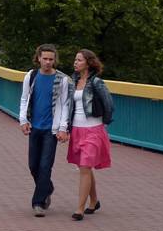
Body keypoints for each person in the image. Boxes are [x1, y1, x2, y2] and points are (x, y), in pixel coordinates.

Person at [19, 44, 71, 217]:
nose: (48, 62)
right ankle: (47, 187)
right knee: (33, 165)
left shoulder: (62, 79)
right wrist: (23, 120)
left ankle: (38, 202)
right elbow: (25, 98)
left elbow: (64, 105)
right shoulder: (31, 76)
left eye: (51, 59)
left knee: (45, 166)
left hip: (52, 130)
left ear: (55, 60)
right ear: (39, 58)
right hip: (35, 127)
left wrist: (63, 128)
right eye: (45, 58)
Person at [65, 49, 114, 221]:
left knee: (85, 167)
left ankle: (79, 209)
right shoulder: (74, 81)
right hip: (77, 130)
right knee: (85, 167)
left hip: (93, 130)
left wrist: (102, 124)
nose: (75, 63)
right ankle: (94, 201)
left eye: (79, 60)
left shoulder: (97, 82)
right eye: (75, 60)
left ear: (88, 62)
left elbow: (109, 105)